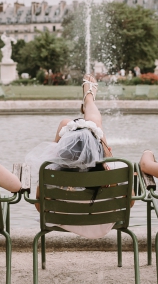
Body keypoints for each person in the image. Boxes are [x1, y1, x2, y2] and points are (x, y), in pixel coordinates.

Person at [25, 74, 121, 239]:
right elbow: (130, 202)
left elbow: (40, 206)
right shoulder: (111, 176)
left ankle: (89, 107)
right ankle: (89, 103)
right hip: (101, 223)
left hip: (62, 219)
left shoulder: (49, 175)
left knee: (70, 124)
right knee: (94, 127)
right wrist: (106, 163)